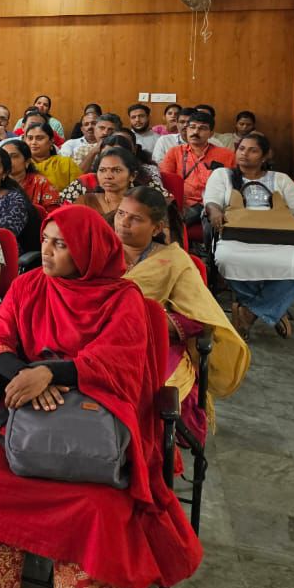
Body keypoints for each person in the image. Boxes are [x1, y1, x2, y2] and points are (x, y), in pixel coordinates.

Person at [0, 206, 203, 588]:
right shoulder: (29, 286)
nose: (47, 252)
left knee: (100, 511)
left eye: (61, 244)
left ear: (89, 252)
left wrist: (50, 372)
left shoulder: (122, 299)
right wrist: (23, 375)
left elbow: (117, 363)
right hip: (30, 416)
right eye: (46, 241)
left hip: (98, 423)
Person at [117, 186, 249, 445]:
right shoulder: (98, 251)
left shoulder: (175, 261)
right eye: (121, 214)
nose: (123, 222)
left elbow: (198, 315)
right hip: (100, 335)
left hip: (154, 340)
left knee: (151, 385)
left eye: (136, 218)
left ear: (157, 228)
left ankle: (144, 444)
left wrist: (153, 321)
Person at [204, 132, 294, 339]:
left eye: (253, 150)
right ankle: (273, 309)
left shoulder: (280, 179)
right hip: (237, 234)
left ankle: (249, 312)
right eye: (241, 149)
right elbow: (212, 201)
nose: (245, 154)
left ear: (265, 156)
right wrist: (215, 211)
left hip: (279, 236)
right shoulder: (222, 175)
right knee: (226, 259)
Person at [159, 109, 235, 220]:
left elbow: (232, 185)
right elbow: (165, 182)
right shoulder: (175, 152)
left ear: (211, 133)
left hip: (213, 204)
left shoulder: (226, 155)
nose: (195, 132)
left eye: (202, 128)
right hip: (183, 204)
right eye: (192, 127)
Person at [67, 146, 140, 228]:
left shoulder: (139, 205)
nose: (108, 176)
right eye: (102, 170)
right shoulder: (85, 201)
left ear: (132, 176)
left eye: (116, 170)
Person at [0, 138, 60, 210]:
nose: (7, 160)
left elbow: (54, 212)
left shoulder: (40, 182)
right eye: (4, 157)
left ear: (27, 162)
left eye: (13, 156)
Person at [22, 121, 81, 192]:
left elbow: (79, 191)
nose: (33, 142)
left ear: (51, 140)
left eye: (39, 138)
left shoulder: (66, 163)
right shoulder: (21, 164)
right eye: (30, 138)